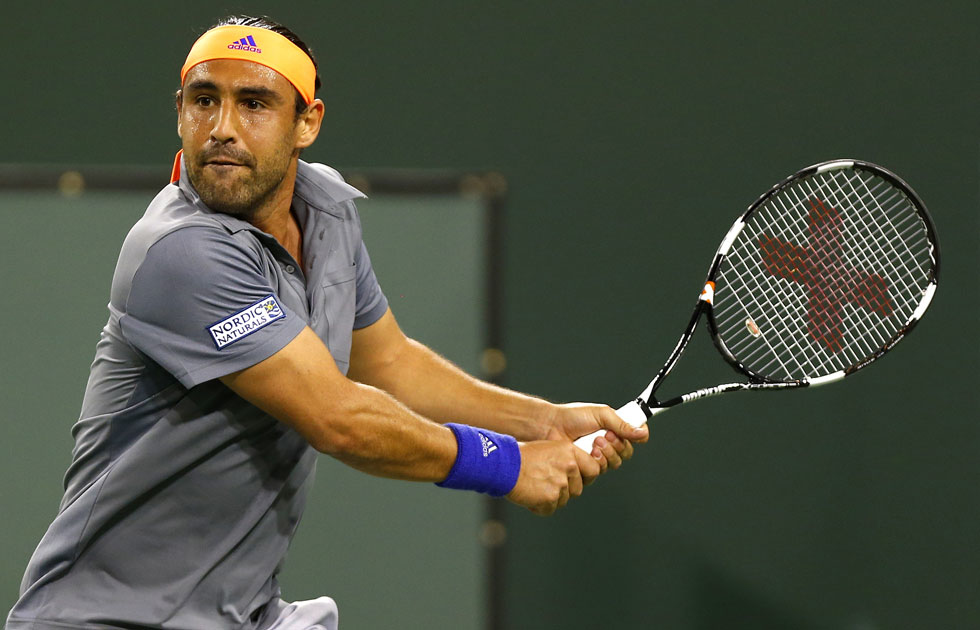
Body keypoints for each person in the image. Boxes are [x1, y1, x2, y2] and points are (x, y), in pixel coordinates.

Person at [5, 15, 648, 630]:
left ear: (307, 122)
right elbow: (338, 418)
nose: (222, 128)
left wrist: (542, 421)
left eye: (254, 104)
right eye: (204, 101)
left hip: (240, 613)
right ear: (180, 112)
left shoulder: (328, 214)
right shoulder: (180, 251)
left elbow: (389, 361)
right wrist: (507, 465)